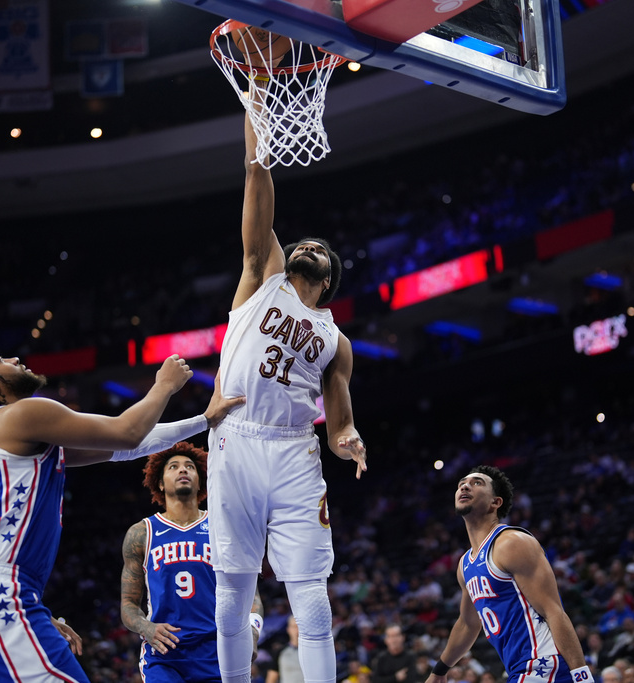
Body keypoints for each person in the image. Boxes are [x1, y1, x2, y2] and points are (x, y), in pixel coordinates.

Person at [0, 348, 243, 682]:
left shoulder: (20, 433)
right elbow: (127, 431)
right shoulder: (21, 413)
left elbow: (128, 448)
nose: (12, 359)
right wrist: (164, 385)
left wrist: (203, 420)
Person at [205, 111, 368, 683]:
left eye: (321, 249)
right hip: (238, 439)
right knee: (233, 589)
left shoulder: (336, 341)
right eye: (307, 242)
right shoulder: (263, 273)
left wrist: (348, 441)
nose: (310, 245)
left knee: (313, 598)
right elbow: (256, 177)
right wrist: (258, 119)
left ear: (329, 280)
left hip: (297, 451)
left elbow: (339, 421)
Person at [426, 466, 594, 683]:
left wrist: (581, 674)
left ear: (495, 502)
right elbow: (468, 624)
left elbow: (553, 610)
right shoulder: (465, 564)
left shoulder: (511, 542)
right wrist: (439, 670)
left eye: (477, 483)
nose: (465, 486)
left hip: (544, 664)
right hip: (519, 670)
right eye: (461, 484)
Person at [120, 442, 263, 683]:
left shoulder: (223, 526)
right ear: (161, 483)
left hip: (219, 649)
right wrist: (146, 628)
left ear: (200, 481)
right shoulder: (141, 533)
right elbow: (128, 604)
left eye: (190, 467)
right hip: (165, 654)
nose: (182, 470)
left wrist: (252, 632)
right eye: (173, 467)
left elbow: (251, 595)